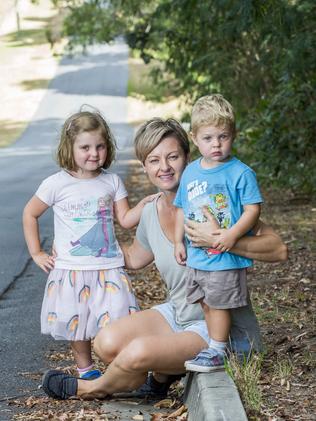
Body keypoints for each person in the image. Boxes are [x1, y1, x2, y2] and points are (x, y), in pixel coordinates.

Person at [40, 117, 287, 400]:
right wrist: (75, 252)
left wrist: (222, 239)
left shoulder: (216, 200)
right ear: (144, 167)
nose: (164, 168)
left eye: (173, 157)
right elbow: (132, 257)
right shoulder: (150, 212)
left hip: (221, 330)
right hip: (178, 314)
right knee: (106, 342)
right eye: (154, 160)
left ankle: (90, 388)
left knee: (138, 351)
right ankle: (162, 372)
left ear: (188, 157)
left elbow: (278, 250)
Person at [23, 110, 159, 381]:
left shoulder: (111, 181)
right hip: (72, 269)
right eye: (85, 147)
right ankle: (85, 370)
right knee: (79, 324)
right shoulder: (56, 184)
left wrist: (144, 205)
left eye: (100, 146)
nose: (93, 153)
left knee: (118, 320)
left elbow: (125, 219)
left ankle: (121, 369)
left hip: (108, 267)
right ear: (69, 148)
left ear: (107, 147)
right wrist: (36, 252)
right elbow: (30, 213)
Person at [174, 94, 263, 372]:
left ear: (233, 136)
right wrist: (178, 240)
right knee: (206, 302)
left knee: (220, 303)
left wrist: (231, 236)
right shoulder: (190, 172)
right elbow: (181, 207)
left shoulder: (240, 173)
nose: (216, 144)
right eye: (208, 138)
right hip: (198, 257)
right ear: (195, 138)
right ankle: (217, 346)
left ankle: (217, 349)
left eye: (223, 137)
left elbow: (252, 209)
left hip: (224, 256)